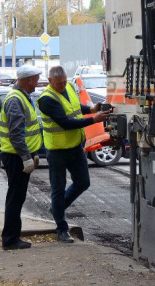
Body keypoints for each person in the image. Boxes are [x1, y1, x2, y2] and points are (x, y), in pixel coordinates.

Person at [37, 66, 110, 243]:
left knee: (83, 182)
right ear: (50, 81)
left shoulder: (69, 87)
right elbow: (66, 122)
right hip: (57, 150)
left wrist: (91, 109)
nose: (62, 86)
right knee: (58, 188)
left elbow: (75, 108)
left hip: (75, 146)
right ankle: (62, 229)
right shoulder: (46, 99)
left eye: (64, 82)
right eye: (58, 84)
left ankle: (57, 208)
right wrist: (94, 119)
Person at [0, 65, 43, 250]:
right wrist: (26, 157)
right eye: (36, 79)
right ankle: (10, 239)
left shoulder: (22, 97)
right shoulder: (16, 100)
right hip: (16, 157)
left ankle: (12, 237)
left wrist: (33, 153)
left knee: (17, 196)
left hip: (19, 155)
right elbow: (16, 134)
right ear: (29, 80)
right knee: (16, 197)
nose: (38, 82)